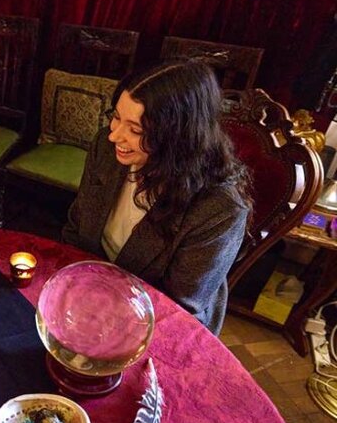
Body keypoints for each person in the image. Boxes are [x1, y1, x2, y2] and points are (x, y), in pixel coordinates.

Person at [62, 59, 251, 334]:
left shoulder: (219, 210)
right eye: (116, 117)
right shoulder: (107, 148)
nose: (115, 136)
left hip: (154, 324)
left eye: (136, 130)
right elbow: (76, 227)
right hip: (93, 291)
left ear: (178, 137)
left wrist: (102, 314)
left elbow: (177, 309)